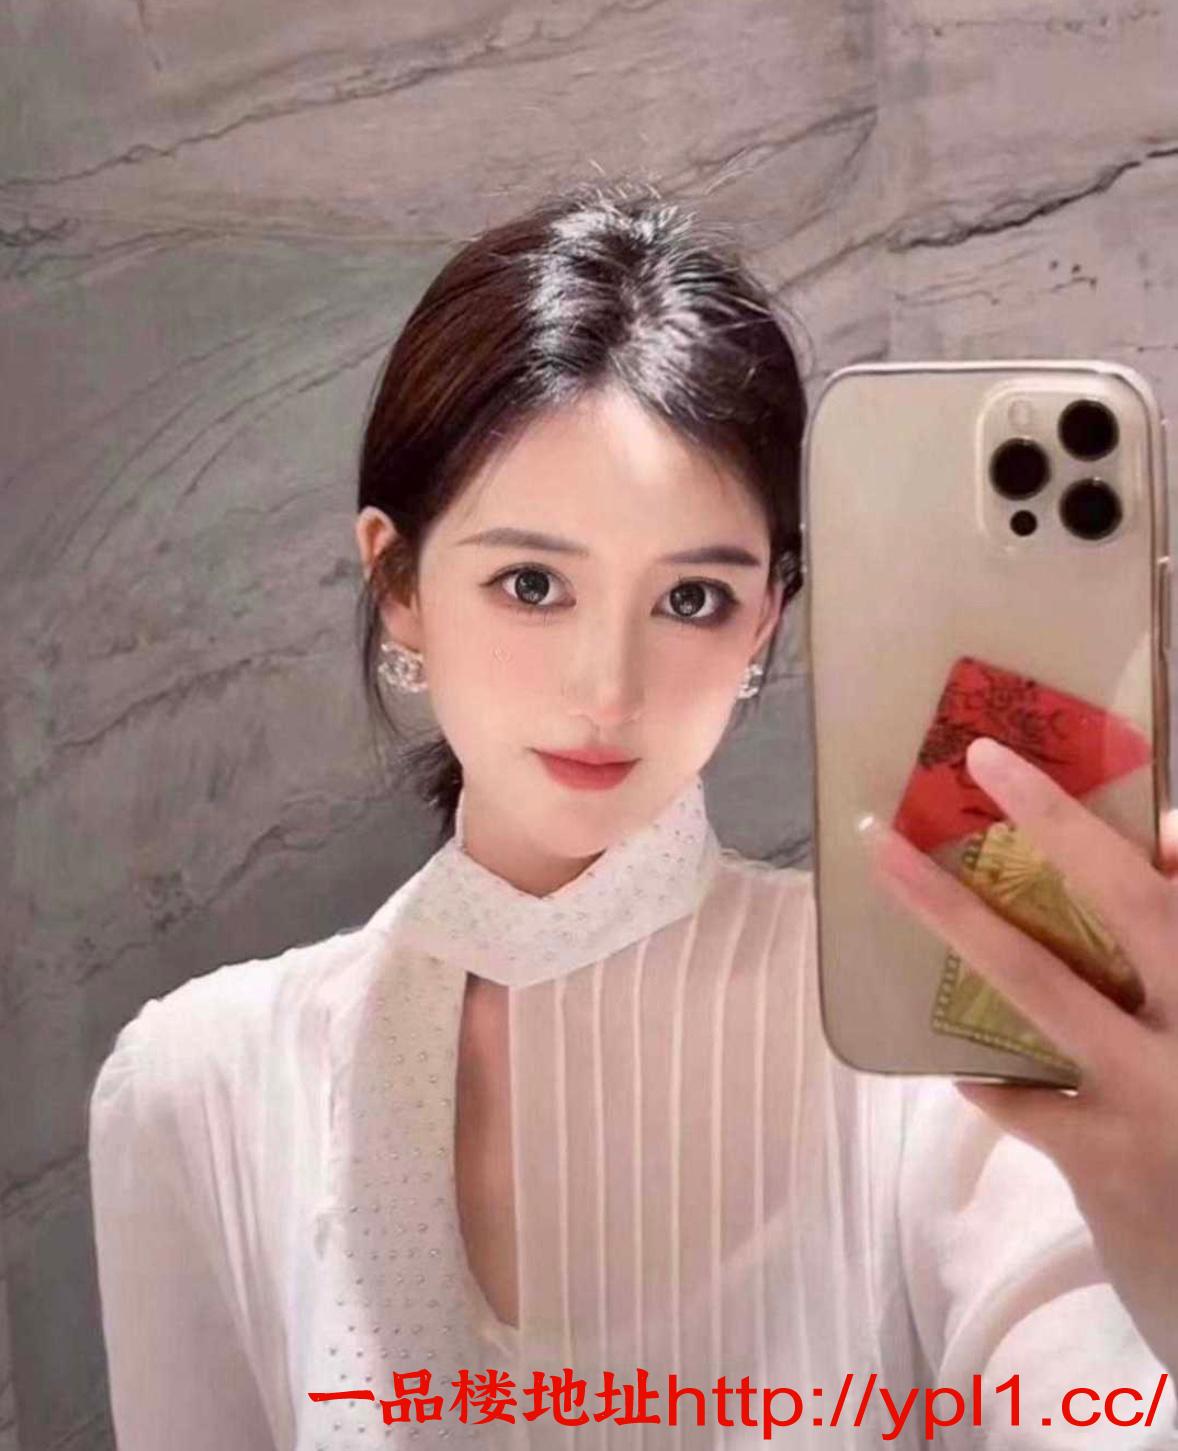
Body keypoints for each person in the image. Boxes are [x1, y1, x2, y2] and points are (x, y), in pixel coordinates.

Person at [87, 182, 1178, 1449]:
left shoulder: (929, 1057)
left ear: (767, 616)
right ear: (398, 581)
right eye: (531, 583)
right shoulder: (198, 1088)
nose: (606, 690)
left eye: (691, 599)